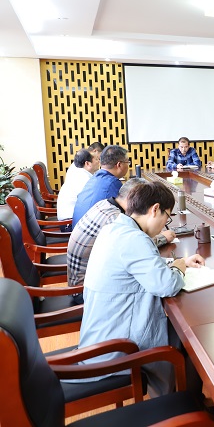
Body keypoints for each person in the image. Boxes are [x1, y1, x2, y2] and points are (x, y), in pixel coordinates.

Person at [72, 182, 205, 397]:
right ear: (155, 209)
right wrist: (178, 268)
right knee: (193, 339)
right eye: (167, 217)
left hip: (104, 334)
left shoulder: (115, 228)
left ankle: (178, 399)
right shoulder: (133, 238)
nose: (165, 224)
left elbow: (143, 268)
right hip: (118, 348)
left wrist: (177, 264)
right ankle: (182, 405)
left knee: (183, 332)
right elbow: (167, 285)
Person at [66, 178, 176, 301]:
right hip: (83, 291)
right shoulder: (116, 220)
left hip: (90, 286)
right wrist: (178, 267)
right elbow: (166, 285)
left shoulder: (105, 205)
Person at [71, 145, 130, 228]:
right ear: (119, 165)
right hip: (93, 235)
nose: (128, 165)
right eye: (127, 162)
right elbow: (128, 213)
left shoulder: (95, 178)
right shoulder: (112, 183)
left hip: (79, 231)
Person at [56, 149, 100, 221]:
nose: (99, 162)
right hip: (69, 222)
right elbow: (93, 201)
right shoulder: (83, 178)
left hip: (72, 218)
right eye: (96, 159)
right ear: (87, 164)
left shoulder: (80, 173)